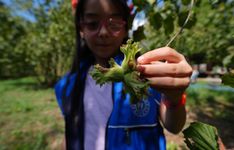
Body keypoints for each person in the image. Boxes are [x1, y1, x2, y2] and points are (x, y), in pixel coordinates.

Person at [55, 0, 192, 149]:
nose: (103, 32)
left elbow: (174, 126)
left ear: (126, 27)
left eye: (114, 23)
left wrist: (175, 97)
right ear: (81, 29)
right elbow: (70, 131)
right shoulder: (66, 86)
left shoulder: (146, 74)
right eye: (93, 23)